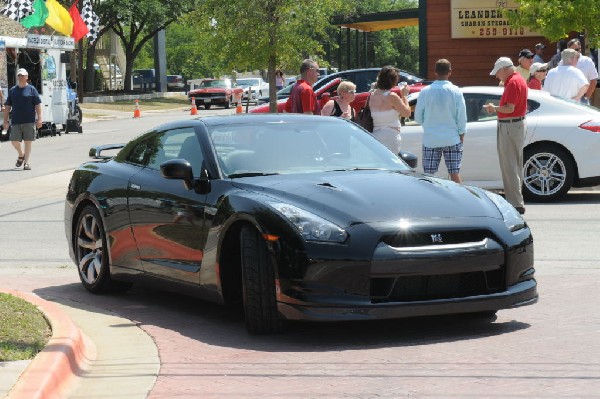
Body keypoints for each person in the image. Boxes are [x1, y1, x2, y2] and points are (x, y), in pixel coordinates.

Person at [484, 57, 527, 215]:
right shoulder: (519, 80)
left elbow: (509, 108)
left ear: (504, 69)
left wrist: (493, 108)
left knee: (509, 165)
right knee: (515, 164)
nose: (497, 76)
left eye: (497, 72)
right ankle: (517, 201)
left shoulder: (512, 82)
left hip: (510, 125)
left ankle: (515, 203)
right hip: (516, 124)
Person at [414, 59, 467, 184]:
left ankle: (430, 201)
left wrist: (428, 123)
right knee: (454, 173)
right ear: (450, 72)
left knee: (429, 175)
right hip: (452, 137)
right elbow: (462, 116)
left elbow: (417, 117)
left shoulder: (425, 91)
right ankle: (461, 201)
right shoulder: (456, 91)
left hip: (431, 138)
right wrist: (461, 134)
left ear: (435, 72)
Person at [3, 68, 42, 171]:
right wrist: (5, 120)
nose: (20, 77)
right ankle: (21, 154)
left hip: (29, 120)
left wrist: (39, 118)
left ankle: (27, 163)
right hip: (16, 120)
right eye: (19, 75)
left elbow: (37, 104)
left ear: (26, 77)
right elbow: (7, 106)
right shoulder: (13, 90)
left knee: (28, 142)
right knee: (14, 141)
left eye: (22, 75)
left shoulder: (32, 89)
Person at [368, 66, 411, 154]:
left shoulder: (371, 95)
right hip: (391, 136)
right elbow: (407, 113)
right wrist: (404, 95)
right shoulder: (392, 96)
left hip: (375, 135)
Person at [561, 38, 598, 104]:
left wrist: (586, 97)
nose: (575, 52)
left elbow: (593, 80)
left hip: (582, 99)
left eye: (577, 49)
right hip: (566, 98)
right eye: (572, 50)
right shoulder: (562, 62)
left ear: (580, 49)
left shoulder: (587, 61)